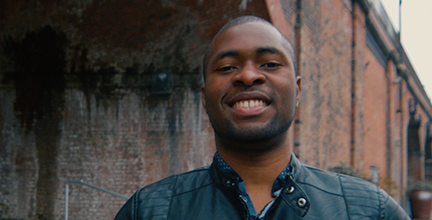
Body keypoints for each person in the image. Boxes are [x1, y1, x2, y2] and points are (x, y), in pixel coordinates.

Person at [114, 16, 409, 220]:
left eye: (269, 63)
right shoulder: (151, 210)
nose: (248, 75)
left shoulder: (369, 210)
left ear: (297, 90)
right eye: (227, 67)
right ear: (204, 97)